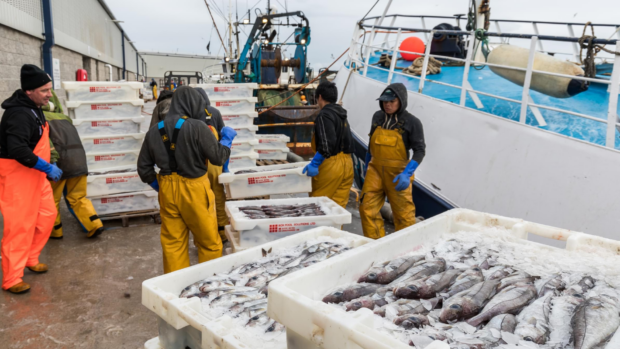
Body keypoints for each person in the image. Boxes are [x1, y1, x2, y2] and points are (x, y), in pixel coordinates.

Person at [137, 86, 237, 274]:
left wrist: (160, 186)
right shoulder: (197, 127)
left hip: (167, 190)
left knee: (173, 245)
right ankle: (209, 287)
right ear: (193, 105)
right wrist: (226, 140)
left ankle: (177, 292)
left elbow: (143, 168)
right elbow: (218, 158)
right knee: (209, 243)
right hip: (195, 189)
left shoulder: (154, 132)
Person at [0, 64, 61, 294]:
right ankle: (12, 278)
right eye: (45, 90)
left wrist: (48, 162)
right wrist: (45, 166)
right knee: (19, 228)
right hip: (18, 177)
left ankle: (30, 258)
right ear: (29, 90)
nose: (49, 94)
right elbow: (18, 150)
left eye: (49, 89)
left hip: (35, 175)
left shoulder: (35, 107)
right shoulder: (19, 114)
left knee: (47, 215)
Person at [359, 83, 426, 240]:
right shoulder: (377, 117)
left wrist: (407, 173)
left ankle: (404, 250)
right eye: (384, 101)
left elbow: (420, 151)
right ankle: (375, 245)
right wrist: (367, 164)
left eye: (391, 101)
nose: (387, 105)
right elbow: (371, 146)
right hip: (375, 171)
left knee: (404, 216)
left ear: (401, 101)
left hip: (398, 174)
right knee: (366, 208)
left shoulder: (412, 122)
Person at [42, 89, 104, 239]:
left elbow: (46, 143)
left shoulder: (39, 118)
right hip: (79, 161)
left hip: (59, 163)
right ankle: (94, 225)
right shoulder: (65, 118)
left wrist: (51, 163)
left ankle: (55, 232)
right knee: (78, 197)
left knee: (52, 200)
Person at [302, 81, 354, 208]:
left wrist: (315, 163)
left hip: (331, 166)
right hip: (347, 164)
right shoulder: (341, 114)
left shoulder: (324, 115)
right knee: (337, 208)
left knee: (318, 206)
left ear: (319, 97)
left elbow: (327, 145)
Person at [194, 88, 228, 243]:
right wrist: (224, 164)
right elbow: (223, 137)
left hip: (197, 162)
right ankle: (222, 231)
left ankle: (202, 236)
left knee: (200, 200)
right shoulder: (215, 112)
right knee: (218, 196)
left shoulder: (190, 115)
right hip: (214, 161)